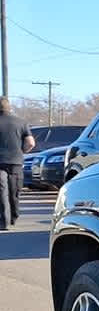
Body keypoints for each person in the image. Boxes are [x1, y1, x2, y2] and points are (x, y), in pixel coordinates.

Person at [0, 96, 36, 230]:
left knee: (2, 191)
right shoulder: (21, 122)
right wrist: (22, 151)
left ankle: (4, 221)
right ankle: (14, 217)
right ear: (9, 107)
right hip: (16, 161)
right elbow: (31, 143)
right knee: (14, 191)